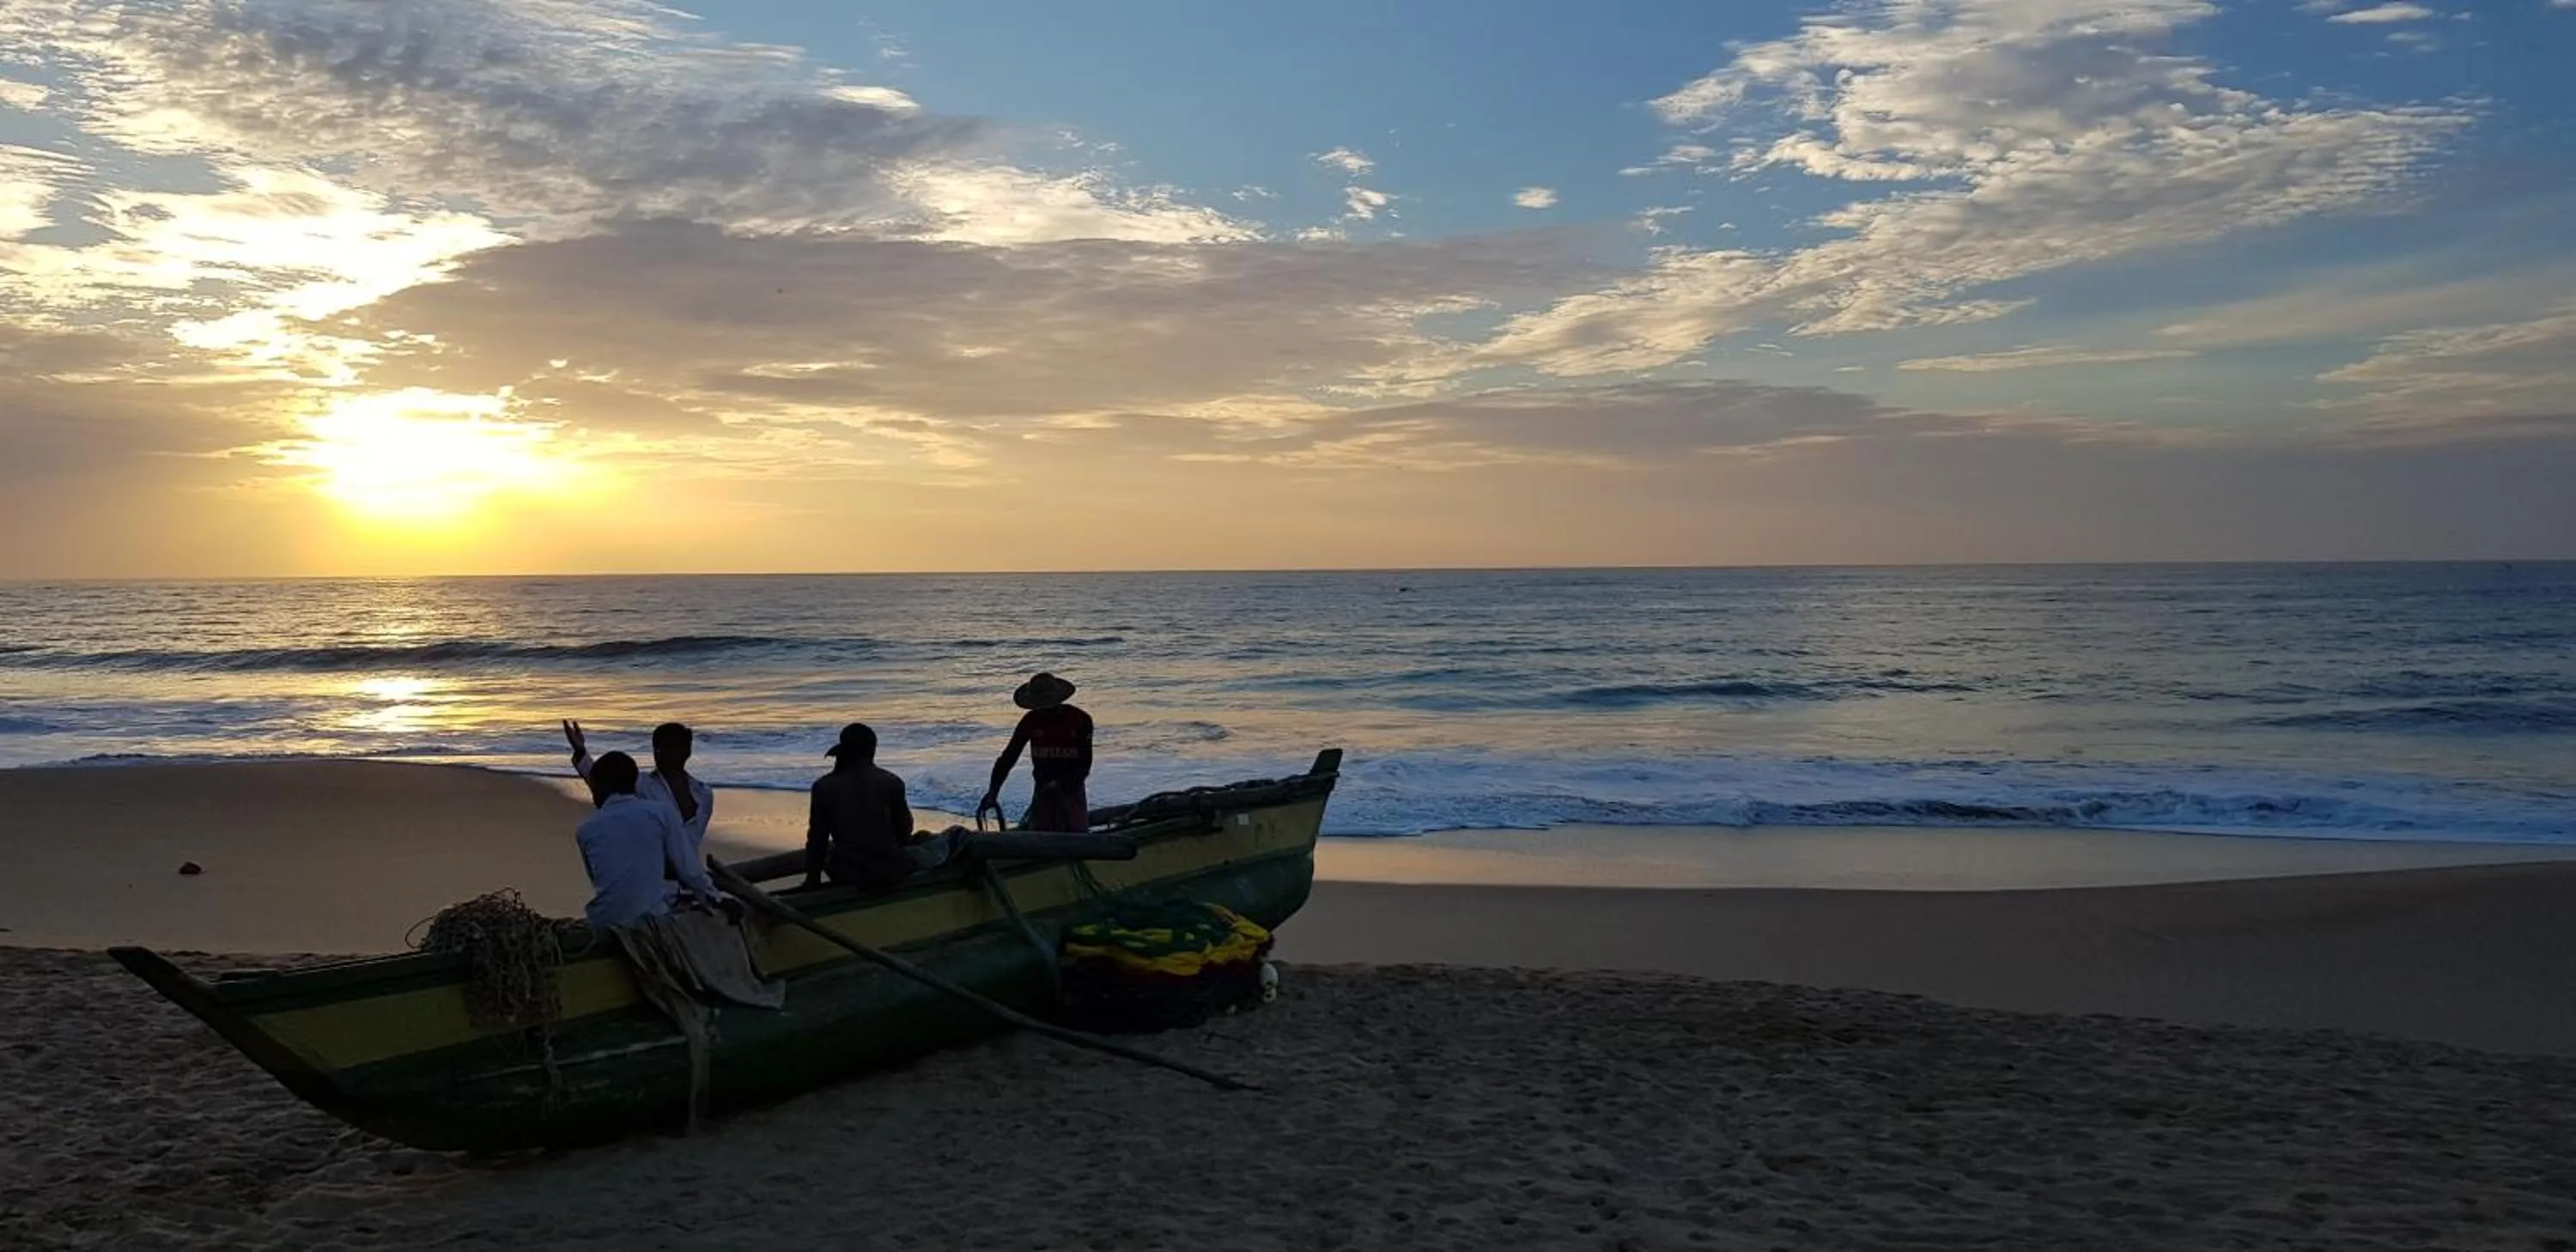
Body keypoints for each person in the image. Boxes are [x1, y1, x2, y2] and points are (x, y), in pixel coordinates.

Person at [575, 751, 727, 930]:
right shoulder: (661, 813)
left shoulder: (586, 830)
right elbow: (689, 870)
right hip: (651, 917)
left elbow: (600, 880)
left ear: (598, 787)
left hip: (604, 920)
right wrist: (716, 898)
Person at [804, 723, 957, 891]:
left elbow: (817, 840)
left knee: (838, 849)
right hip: (889, 870)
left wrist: (813, 880)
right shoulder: (891, 782)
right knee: (938, 844)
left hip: (845, 871)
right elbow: (904, 834)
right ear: (872, 750)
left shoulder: (823, 787)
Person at [564, 719, 713, 861]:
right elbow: (603, 782)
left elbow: (692, 840)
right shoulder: (641, 783)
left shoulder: (703, 794)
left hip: (690, 873)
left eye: (668, 746)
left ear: (686, 750)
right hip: (654, 873)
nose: (660, 753)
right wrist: (580, 751)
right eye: (657, 747)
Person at [977, 672, 1093, 832]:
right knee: (1041, 833)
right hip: (1042, 789)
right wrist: (993, 792)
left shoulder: (1080, 719)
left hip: (1071, 790)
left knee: (1076, 833)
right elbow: (1008, 758)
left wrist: (1061, 785)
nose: (1044, 710)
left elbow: (1084, 765)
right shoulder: (1030, 721)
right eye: (1040, 706)